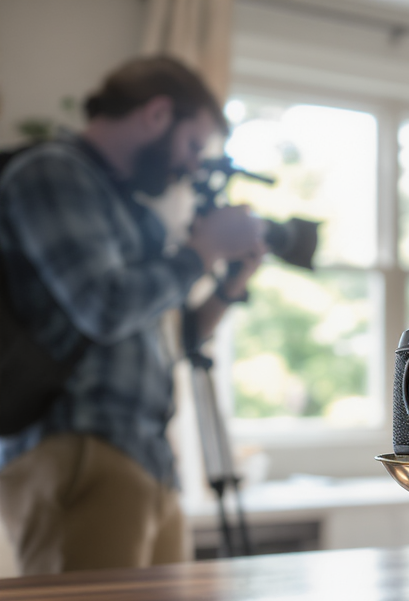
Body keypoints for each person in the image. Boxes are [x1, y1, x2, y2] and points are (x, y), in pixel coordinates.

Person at [0, 57, 267, 574]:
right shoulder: (52, 173)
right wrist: (201, 252)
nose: (193, 165)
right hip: (78, 446)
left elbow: (177, 339)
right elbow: (104, 307)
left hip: (144, 456)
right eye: (193, 144)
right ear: (157, 113)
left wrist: (231, 283)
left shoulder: (133, 211)